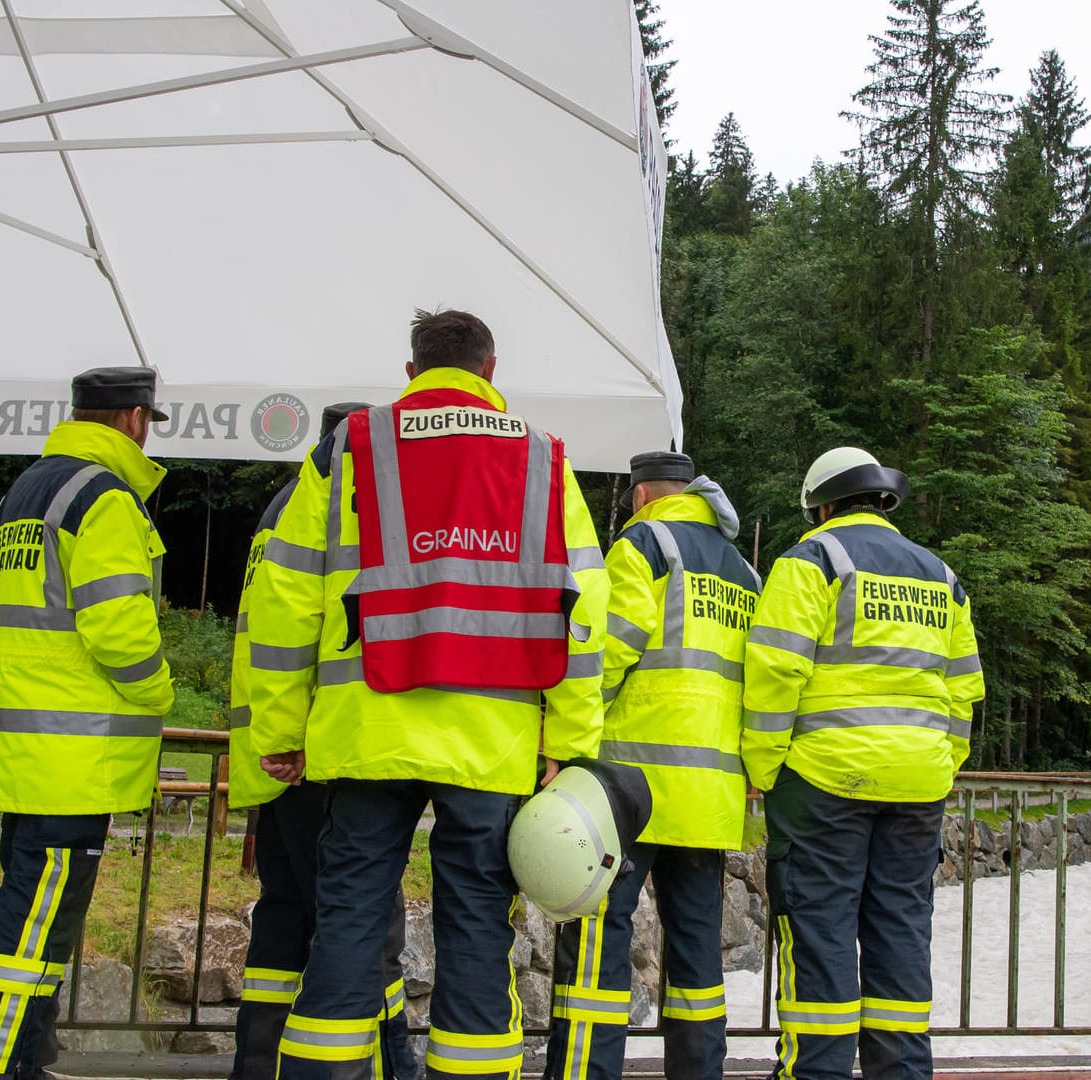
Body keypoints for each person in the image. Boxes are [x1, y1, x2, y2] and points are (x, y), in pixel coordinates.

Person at [247, 309, 608, 1080]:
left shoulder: (350, 448)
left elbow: (285, 597)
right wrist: (570, 742)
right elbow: (584, 611)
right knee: (477, 921)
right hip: (493, 740)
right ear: (491, 368)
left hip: (366, 731)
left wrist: (279, 726)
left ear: (411, 372)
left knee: (348, 916)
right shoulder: (544, 458)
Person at [0, 368, 175, 1080]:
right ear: (135, 419)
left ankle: (27, 1058)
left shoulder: (28, 491)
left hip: (27, 744)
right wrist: (159, 693)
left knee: (42, 917)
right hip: (75, 756)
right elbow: (117, 627)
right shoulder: (104, 498)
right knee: (33, 922)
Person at [740, 447, 985, 1080]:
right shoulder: (941, 575)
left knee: (818, 932)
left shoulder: (812, 562)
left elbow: (774, 676)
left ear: (820, 507)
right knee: (902, 933)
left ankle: (815, 1072)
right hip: (920, 785)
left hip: (823, 781)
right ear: (882, 502)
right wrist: (939, 764)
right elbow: (964, 693)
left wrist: (766, 771)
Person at [543, 451, 757, 1080]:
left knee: (595, 943)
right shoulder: (744, 570)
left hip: (627, 789)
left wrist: (565, 739)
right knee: (696, 958)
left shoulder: (644, 545)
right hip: (709, 796)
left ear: (641, 497)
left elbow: (605, 656)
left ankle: (585, 1073)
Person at [227, 402, 416, 1080]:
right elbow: (310, 628)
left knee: (283, 920)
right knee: (363, 926)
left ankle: (257, 1064)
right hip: (314, 754)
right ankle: (391, 1065)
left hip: (269, 752)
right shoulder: (345, 507)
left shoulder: (285, 506)